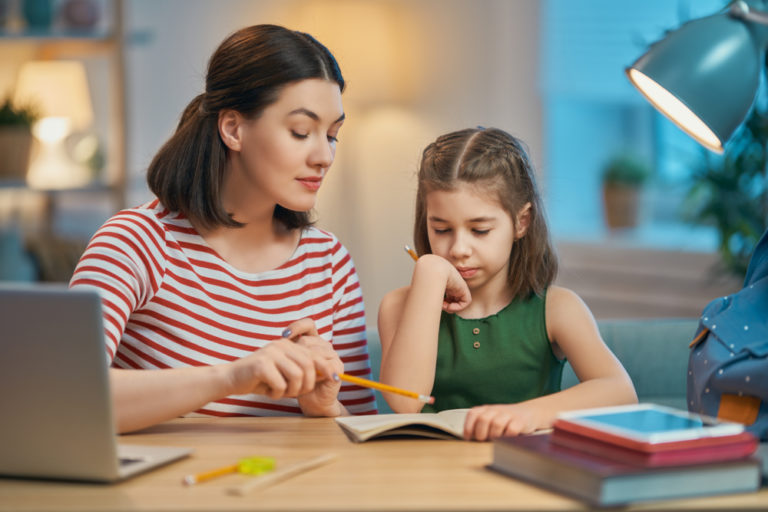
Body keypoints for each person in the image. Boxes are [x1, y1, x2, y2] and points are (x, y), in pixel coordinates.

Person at [70, 24, 376, 434]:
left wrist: (326, 407)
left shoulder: (329, 263)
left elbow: (364, 434)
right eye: (301, 132)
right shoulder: (136, 242)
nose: (324, 155)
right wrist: (231, 377)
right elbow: (68, 398)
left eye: (333, 134)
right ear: (233, 128)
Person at [377, 127, 637, 441]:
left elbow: (620, 391)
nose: (459, 248)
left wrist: (527, 414)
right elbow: (405, 400)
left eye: (480, 230)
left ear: (521, 222)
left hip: (526, 472)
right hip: (431, 475)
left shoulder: (557, 308)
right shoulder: (398, 307)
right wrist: (430, 271)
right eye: (442, 229)